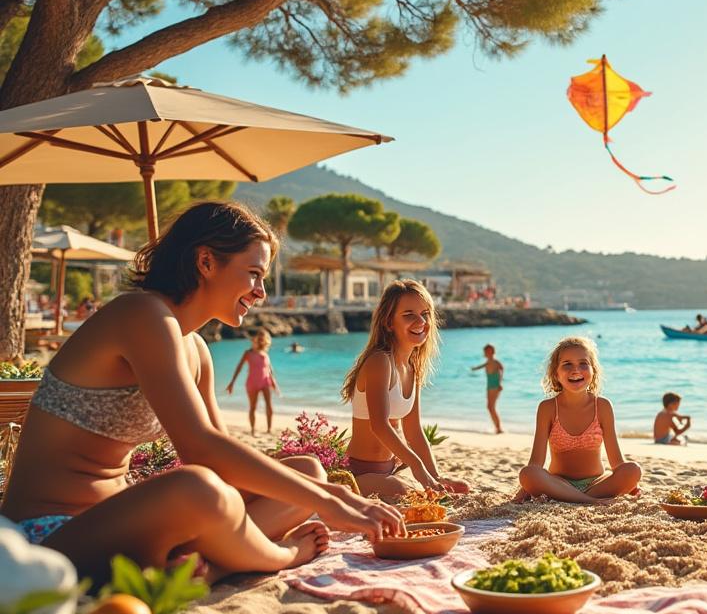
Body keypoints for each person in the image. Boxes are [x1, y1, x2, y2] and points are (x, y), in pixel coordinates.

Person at [0, 201, 402, 585]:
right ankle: (272, 556)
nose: (261, 292)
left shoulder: (194, 349)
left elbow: (224, 461)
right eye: (254, 274)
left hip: (123, 524)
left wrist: (328, 491)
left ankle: (212, 564)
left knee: (308, 471)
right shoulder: (141, 314)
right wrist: (331, 502)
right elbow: (201, 450)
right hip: (50, 534)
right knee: (199, 489)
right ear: (206, 261)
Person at [341, 280, 470, 499]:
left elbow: (414, 431)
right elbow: (379, 425)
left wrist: (434, 476)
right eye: (409, 315)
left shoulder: (412, 368)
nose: (421, 321)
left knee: (461, 488)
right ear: (388, 322)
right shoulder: (380, 361)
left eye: (425, 314)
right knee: (403, 492)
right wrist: (418, 468)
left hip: (392, 469)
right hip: (360, 473)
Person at [516, 337, 642, 503]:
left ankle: (576, 499)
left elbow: (617, 463)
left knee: (633, 470)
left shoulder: (602, 406)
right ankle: (589, 501)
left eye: (583, 363)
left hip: (597, 484)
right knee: (528, 473)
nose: (576, 370)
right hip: (559, 484)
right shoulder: (547, 408)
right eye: (567, 364)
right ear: (556, 373)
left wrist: (630, 482)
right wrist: (526, 486)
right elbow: (536, 463)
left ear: (593, 370)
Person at [226, 329, 280, 435]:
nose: (260, 340)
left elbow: (269, 369)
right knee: (253, 407)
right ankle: (253, 430)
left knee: (269, 405)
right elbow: (239, 367)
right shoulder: (248, 353)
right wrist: (232, 382)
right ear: (254, 339)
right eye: (258, 338)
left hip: (265, 381)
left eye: (262, 338)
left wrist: (274, 383)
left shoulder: (265, 353)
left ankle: (269, 429)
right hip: (252, 383)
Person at [471, 344, 505, 434]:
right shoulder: (487, 362)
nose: (486, 353)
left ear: (492, 352)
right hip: (489, 387)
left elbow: (502, 370)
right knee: (490, 407)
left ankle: (498, 428)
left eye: (488, 351)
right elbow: (481, 366)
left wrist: (500, 383)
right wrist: (473, 369)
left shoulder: (496, 362)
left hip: (495, 386)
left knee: (491, 407)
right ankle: (497, 428)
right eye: (486, 351)